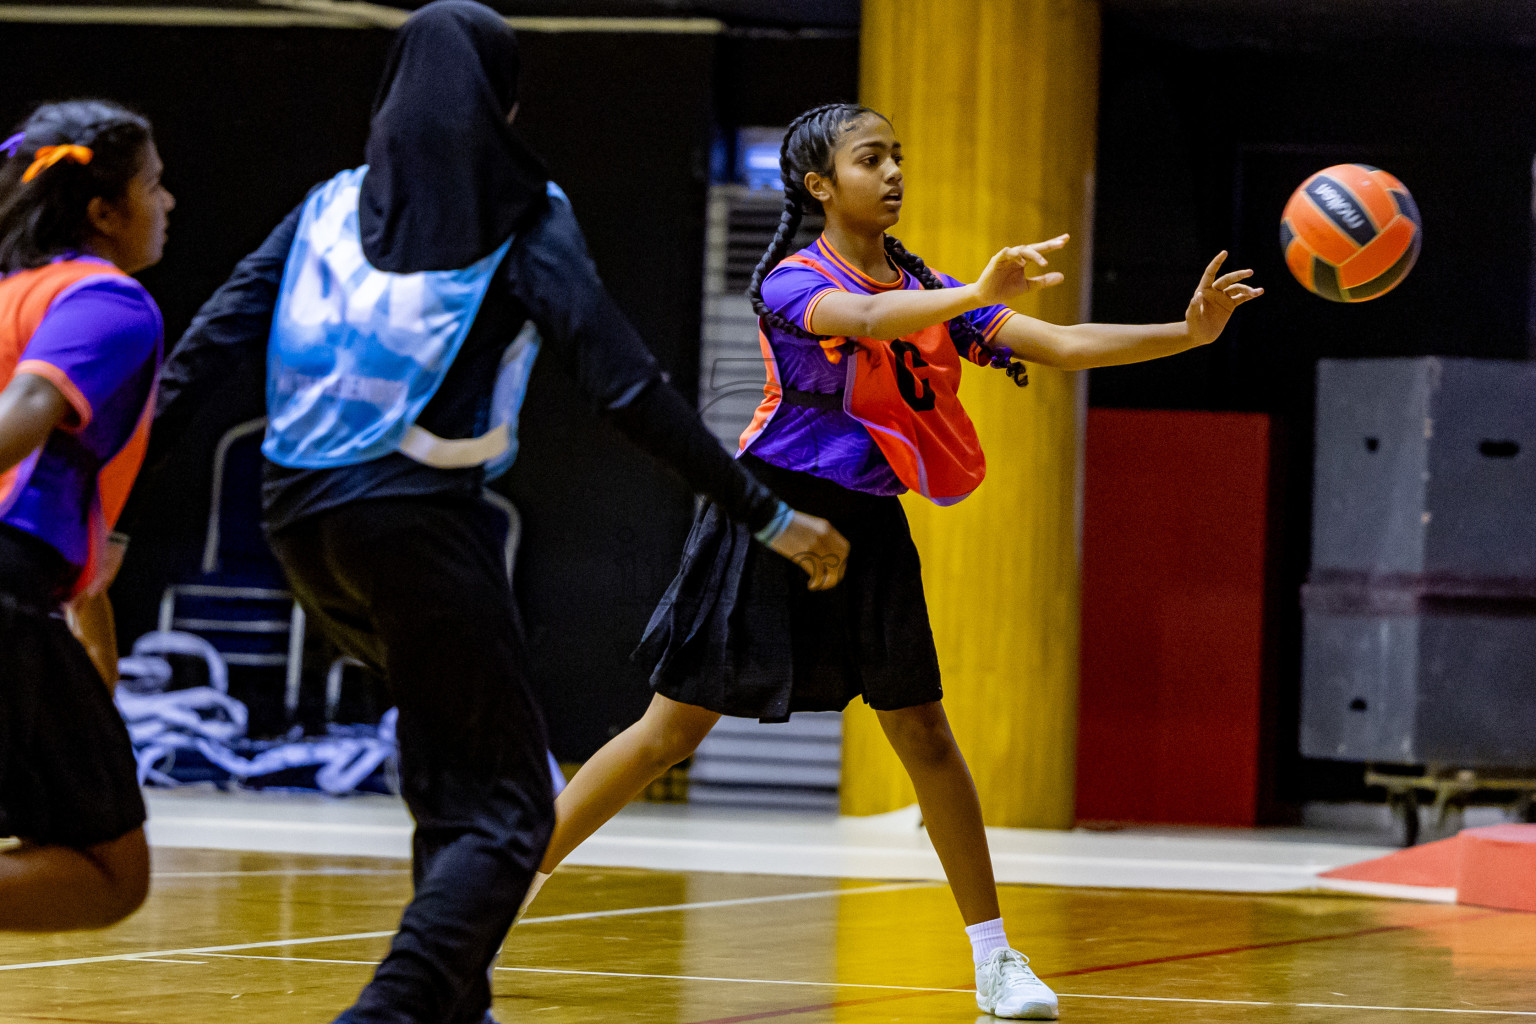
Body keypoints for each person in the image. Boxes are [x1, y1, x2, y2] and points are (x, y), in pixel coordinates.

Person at [139, 3, 846, 1021]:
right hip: (416, 522)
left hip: (295, 521)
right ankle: (390, 1012)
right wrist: (767, 514)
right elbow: (625, 385)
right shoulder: (521, 211)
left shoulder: (328, 205)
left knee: (451, 771)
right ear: (501, 103)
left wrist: (96, 509)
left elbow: (199, 355)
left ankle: (457, 1004)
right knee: (515, 809)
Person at [513, 102, 1262, 1020]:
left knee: (926, 735)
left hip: (870, 523)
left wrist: (1187, 334)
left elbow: (1059, 345)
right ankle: (500, 895)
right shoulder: (791, 281)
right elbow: (867, 318)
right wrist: (972, 292)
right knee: (671, 732)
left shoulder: (931, 285)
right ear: (820, 184)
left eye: (898, 156)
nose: (895, 171)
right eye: (873, 159)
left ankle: (996, 961)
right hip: (771, 516)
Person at [0, 99, 174, 930]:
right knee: (112, 872)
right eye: (154, 184)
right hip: (8, 583)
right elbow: (31, 406)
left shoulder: (10, 293)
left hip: (32, 585)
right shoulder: (107, 302)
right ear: (105, 212)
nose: (168, 202)